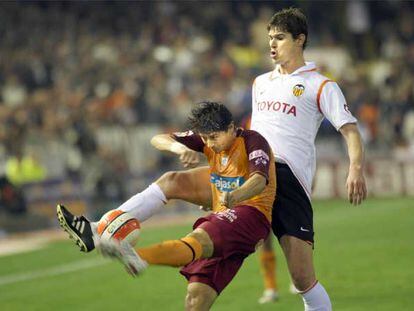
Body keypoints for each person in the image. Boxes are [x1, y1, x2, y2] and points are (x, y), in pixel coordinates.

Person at [58, 101, 276, 310]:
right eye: (205, 139)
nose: (209, 144)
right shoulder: (209, 140)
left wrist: (235, 196)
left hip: (251, 216)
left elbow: (259, 180)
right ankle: (96, 229)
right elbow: (158, 139)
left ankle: (138, 257)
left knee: (198, 238)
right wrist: (178, 149)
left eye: (214, 138)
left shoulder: (253, 141)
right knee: (196, 298)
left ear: (231, 128)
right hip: (226, 217)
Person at [251, 7, 367, 310]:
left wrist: (355, 169)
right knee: (216, 247)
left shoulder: (321, 85)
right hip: (257, 175)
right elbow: (250, 137)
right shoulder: (260, 83)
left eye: (280, 37)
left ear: (300, 39)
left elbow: (351, 132)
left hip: (291, 182)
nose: (272, 45)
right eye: (270, 38)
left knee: (302, 278)